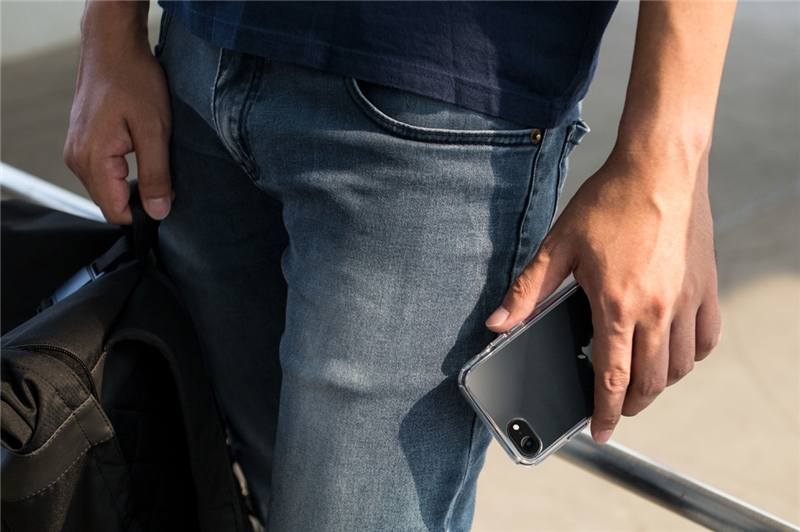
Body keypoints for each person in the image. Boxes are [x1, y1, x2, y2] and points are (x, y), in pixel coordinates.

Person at [64, 1, 736, 530]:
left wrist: (665, 166)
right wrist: (109, 24)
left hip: (440, 105)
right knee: (253, 491)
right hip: (196, 60)